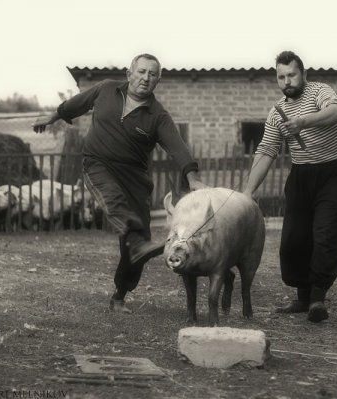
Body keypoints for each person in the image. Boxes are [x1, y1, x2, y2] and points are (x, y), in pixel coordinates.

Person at [33, 53, 207, 313]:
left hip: (135, 180)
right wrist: (54, 117)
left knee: (139, 240)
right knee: (116, 202)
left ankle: (120, 294)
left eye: (152, 74)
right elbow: (76, 104)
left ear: (157, 81)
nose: (145, 78)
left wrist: (192, 177)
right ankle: (133, 242)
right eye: (141, 72)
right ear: (129, 74)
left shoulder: (158, 116)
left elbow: (177, 147)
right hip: (97, 164)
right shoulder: (106, 90)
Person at [243, 50, 337, 323]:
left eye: (291, 75)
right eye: (281, 77)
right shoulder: (276, 112)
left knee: (326, 234)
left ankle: (317, 298)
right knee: (295, 238)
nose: (286, 81)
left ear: (303, 74)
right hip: (302, 175)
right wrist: (248, 191)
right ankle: (303, 297)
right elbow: (267, 150)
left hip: (335, 172)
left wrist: (303, 122)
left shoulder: (319, 92)